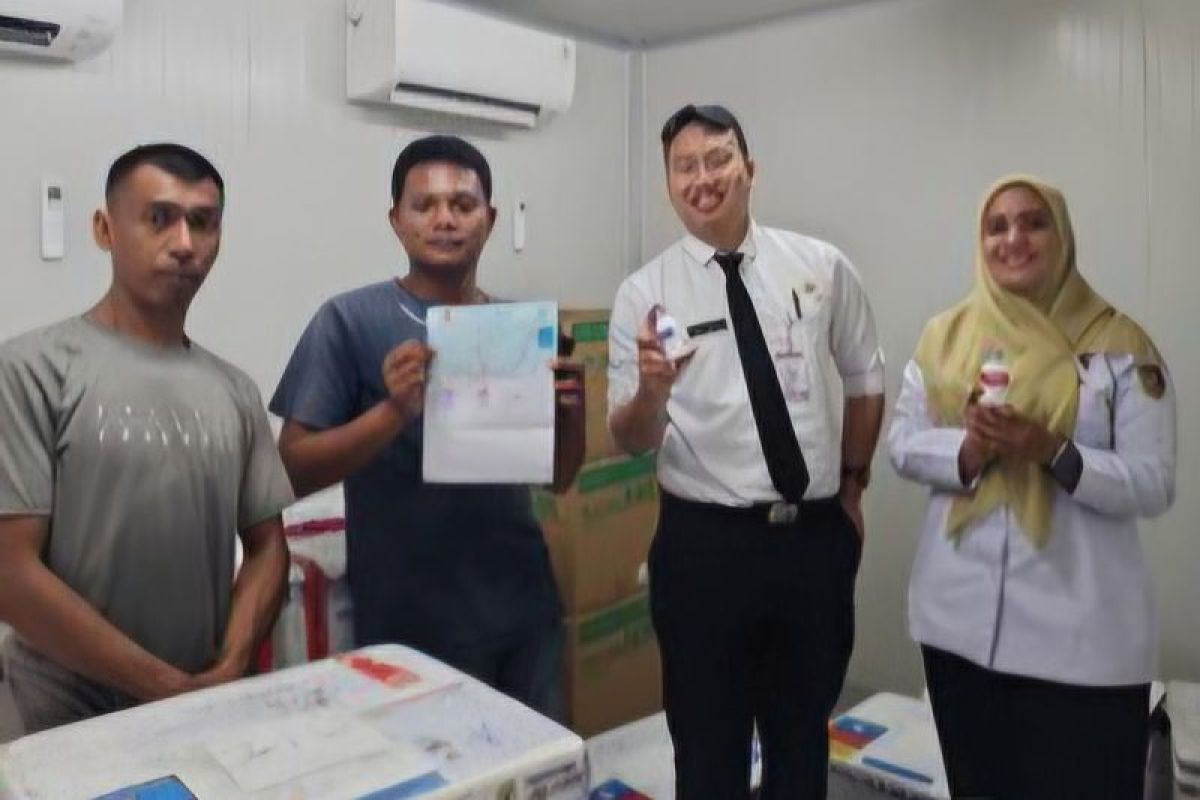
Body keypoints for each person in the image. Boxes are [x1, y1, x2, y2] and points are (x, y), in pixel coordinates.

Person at [607, 104, 885, 798]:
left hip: (811, 544)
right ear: (669, 185)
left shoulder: (819, 266)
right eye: (685, 166)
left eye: (718, 159)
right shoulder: (644, 293)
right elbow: (631, 440)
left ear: (749, 169)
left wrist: (852, 487)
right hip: (705, 550)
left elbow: (865, 375)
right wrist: (653, 390)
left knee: (801, 743)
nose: (702, 178)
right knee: (708, 753)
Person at [270, 135, 584, 719]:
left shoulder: (515, 328)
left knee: (540, 762)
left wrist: (570, 414)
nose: (445, 219)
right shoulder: (349, 320)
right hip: (409, 626)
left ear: (490, 219)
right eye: (425, 205)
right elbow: (290, 470)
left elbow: (559, 479)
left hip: (523, 608)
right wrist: (393, 412)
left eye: (463, 205)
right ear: (396, 220)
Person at [888, 175, 1176, 799]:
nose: (1013, 238)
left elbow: (1152, 482)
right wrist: (969, 450)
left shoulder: (1119, 346)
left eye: (1033, 222)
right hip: (960, 631)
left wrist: (1052, 451)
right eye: (997, 226)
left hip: (1081, 645)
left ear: (1062, 236)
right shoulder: (945, 339)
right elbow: (903, 444)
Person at [0, 143, 294, 734]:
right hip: (60, 713)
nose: (184, 243)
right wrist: (164, 686)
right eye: (159, 218)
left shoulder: (235, 390)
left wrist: (231, 665)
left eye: (203, 223)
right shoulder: (32, 370)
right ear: (104, 229)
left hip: (197, 702)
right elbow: (10, 572)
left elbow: (268, 546)